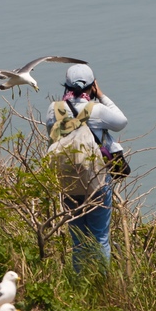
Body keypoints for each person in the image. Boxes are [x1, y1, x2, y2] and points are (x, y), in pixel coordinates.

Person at [45, 63, 128, 271]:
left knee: (78, 240)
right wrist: (101, 95)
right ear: (92, 86)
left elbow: (51, 135)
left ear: (66, 86)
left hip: (68, 181)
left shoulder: (53, 110)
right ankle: (101, 285)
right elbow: (121, 121)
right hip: (96, 180)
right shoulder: (97, 110)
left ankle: (79, 282)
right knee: (100, 236)